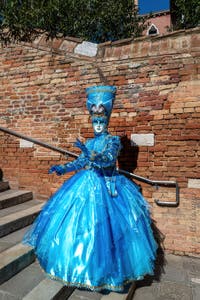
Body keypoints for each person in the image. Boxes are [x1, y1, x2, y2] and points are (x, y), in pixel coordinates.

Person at [23, 85, 157, 292]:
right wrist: (62, 168)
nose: (97, 124)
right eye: (95, 120)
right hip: (85, 184)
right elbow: (80, 162)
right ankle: (79, 268)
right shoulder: (89, 141)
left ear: (107, 121)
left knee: (107, 231)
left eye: (101, 120)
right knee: (79, 227)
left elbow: (108, 160)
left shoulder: (113, 141)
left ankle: (109, 273)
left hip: (108, 187)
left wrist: (92, 155)